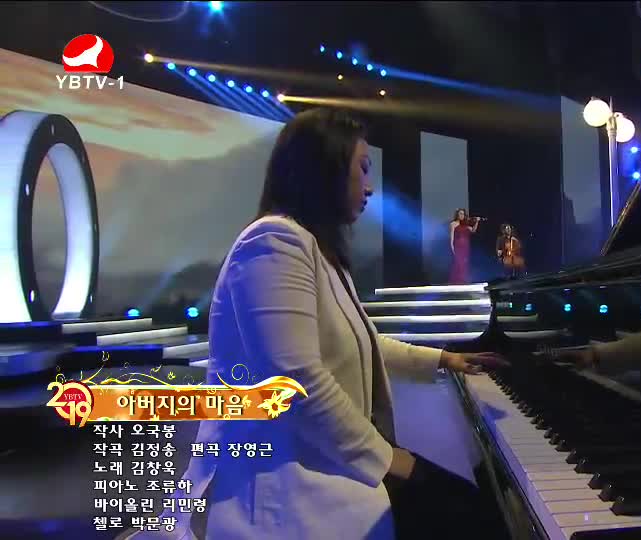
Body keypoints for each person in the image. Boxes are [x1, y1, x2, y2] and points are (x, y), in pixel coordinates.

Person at [130, 109, 507, 540]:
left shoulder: (319, 252)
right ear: (324, 169)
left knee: (477, 504)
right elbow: (294, 379)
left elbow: (363, 341)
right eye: (362, 168)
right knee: (472, 513)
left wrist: (444, 358)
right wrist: (390, 460)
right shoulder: (274, 241)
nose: (370, 186)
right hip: (284, 489)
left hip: (326, 462)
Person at [448, 208, 479, 284]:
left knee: (465, 263)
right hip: (458, 247)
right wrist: (452, 248)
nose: (462, 215)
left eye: (463, 214)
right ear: (457, 215)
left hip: (466, 246)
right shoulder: (453, 224)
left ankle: (463, 280)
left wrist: (477, 222)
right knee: (458, 263)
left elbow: (473, 230)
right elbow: (451, 238)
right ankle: (456, 281)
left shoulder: (466, 225)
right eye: (460, 214)